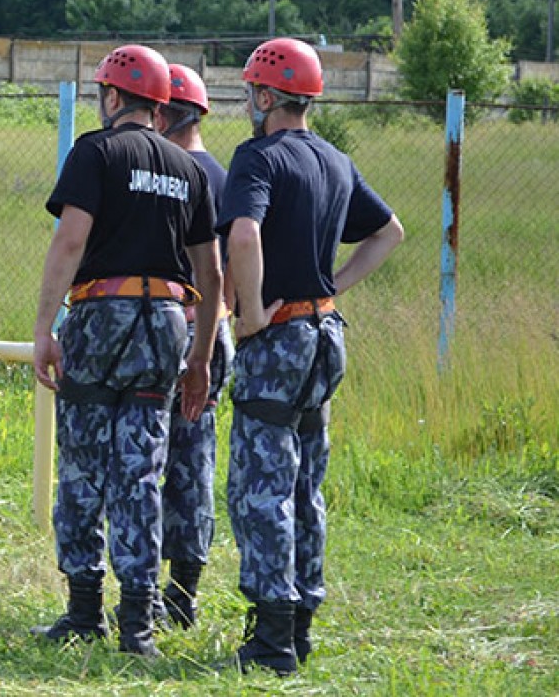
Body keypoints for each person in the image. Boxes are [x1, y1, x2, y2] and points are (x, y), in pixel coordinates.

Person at [29, 44, 222, 657]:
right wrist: (201, 355)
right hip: (168, 321)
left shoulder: (96, 151)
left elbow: (70, 241)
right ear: (161, 105)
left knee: (84, 464)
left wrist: (43, 326)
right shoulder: (188, 168)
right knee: (143, 469)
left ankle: (85, 609)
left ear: (113, 99)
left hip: (101, 315)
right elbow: (211, 271)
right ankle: (138, 624)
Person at [221, 37, 403, 675]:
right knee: (305, 487)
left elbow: (244, 233)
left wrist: (250, 311)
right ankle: (299, 626)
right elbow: (389, 232)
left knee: (260, 489)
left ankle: (270, 639)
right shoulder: (335, 160)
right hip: (326, 338)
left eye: (251, 91)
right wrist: (333, 289)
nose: (248, 101)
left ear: (267, 96)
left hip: (280, 340)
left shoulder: (258, 157)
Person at [151, 62, 233, 629]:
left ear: (166, 113)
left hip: (167, 326)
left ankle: (145, 592)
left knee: (146, 457)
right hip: (216, 328)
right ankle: (185, 592)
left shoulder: (166, 178)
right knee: (194, 461)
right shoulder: (225, 177)